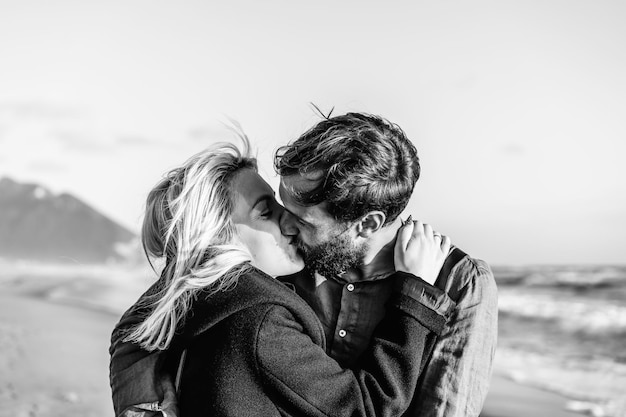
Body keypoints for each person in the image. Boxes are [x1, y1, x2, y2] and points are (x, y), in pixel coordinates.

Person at [108, 132, 457, 417]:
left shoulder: (197, 302)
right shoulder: (260, 319)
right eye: (266, 213)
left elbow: (134, 329)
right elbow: (366, 407)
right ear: (219, 235)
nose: (288, 222)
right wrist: (415, 296)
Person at [275, 112, 498, 417]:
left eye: (302, 220)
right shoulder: (290, 257)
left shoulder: (458, 281)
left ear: (367, 224)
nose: (284, 228)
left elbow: (444, 408)